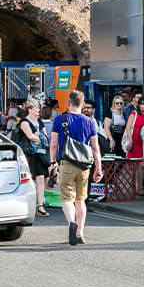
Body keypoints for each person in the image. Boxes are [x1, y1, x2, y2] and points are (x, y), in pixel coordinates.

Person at [50, 90, 103, 245]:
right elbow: (95, 148)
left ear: (68, 103)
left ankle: (71, 222)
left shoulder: (60, 120)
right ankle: (80, 233)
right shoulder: (90, 122)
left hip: (66, 163)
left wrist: (52, 162)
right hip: (84, 166)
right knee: (80, 200)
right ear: (83, 104)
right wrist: (98, 168)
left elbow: (53, 144)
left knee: (67, 198)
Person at [16, 99, 51, 218]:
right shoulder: (24, 122)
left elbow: (45, 136)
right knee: (29, 180)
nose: (39, 110)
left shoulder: (39, 122)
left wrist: (39, 136)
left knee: (40, 178)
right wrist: (39, 136)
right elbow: (30, 137)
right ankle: (26, 205)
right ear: (30, 109)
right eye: (36, 108)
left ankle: (40, 206)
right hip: (29, 154)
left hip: (40, 153)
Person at [124, 97, 144, 196]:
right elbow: (128, 127)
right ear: (139, 105)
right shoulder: (134, 113)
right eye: (142, 104)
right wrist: (130, 139)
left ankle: (139, 187)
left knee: (141, 166)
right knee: (133, 166)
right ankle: (134, 187)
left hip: (143, 143)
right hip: (134, 142)